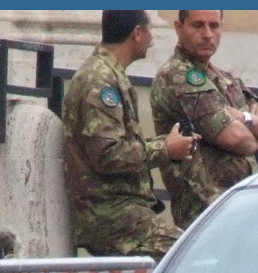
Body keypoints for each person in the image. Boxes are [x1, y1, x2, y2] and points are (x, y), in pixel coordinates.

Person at [62, 10, 198, 259]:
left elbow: (116, 145)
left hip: (125, 216)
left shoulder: (109, 75)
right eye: (150, 30)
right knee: (191, 254)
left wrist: (168, 143)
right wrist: (165, 149)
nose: (152, 38)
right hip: (113, 219)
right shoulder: (99, 81)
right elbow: (108, 155)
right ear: (137, 33)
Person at [150, 10, 258, 228]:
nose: (207, 34)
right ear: (178, 28)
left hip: (242, 206)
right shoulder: (178, 76)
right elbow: (236, 139)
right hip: (206, 213)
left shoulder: (226, 79)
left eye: (214, 26)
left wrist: (243, 117)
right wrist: (256, 133)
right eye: (198, 26)